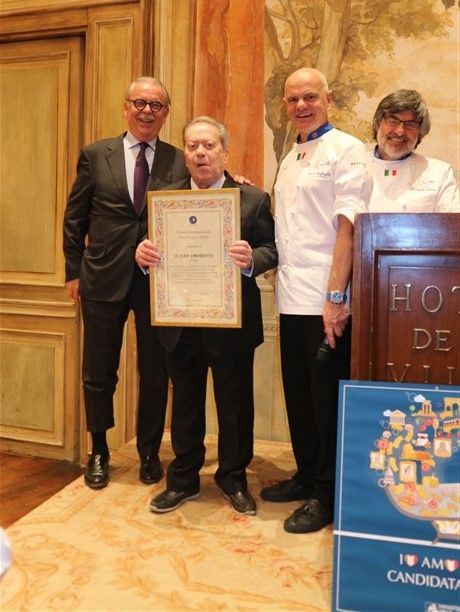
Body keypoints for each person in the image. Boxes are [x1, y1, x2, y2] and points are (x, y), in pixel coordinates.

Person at [135, 116, 277, 516]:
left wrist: (251, 258)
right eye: (193, 146)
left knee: (234, 405)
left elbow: (271, 248)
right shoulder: (164, 200)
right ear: (185, 154)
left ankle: (233, 478)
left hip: (231, 324)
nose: (200, 153)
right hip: (180, 322)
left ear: (225, 152)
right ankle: (183, 479)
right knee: (184, 404)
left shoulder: (251, 199)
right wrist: (142, 254)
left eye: (209, 146)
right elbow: (148, 246)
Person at [63, 76, 189, 489]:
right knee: (99, 370)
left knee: (155, 371)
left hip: (157, 282)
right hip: (102, 278)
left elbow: (205, 192)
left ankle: (149, 452)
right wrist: (73, 272)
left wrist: (236, 183)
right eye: (140, 103)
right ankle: (98, 450)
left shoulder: (178, 160)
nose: (147, 111)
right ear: (126, 107)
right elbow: (74, 219)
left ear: (166, 113)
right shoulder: (95, 155)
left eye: (156, 105)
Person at [260, 67, 368, 533]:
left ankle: (327, 492)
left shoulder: (347, 149)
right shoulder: (291, 156)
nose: (301, 106)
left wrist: (336, 297)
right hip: (291, 297)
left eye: (310, 97)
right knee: (300, 398)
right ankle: (306, 475)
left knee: (326, 404)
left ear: (328, 98)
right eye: (293, 99)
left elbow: (348, 227)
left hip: (326, 301)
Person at [368, 89, 459, 212]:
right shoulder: (351, 166)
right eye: (393, 121)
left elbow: (452, 221)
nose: (400, 131)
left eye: (410, 124)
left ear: (420, 133)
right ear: (377, 123)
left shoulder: (439, 172)